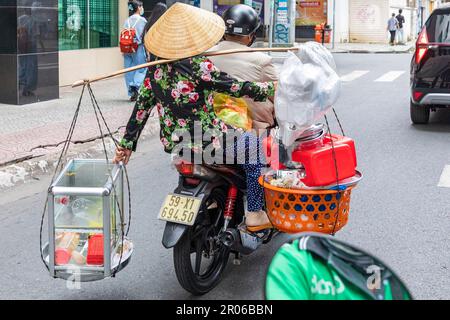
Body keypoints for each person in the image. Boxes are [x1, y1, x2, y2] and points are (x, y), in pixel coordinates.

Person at [113, 3, 275, 230]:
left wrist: (126, 145)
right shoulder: (198, 66)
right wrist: (267, 90)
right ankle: (256, 213)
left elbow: (140, 112)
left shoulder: (155, 70)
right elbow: (235, 87)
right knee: (255, 149)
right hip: (211, 142)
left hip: (177, 145)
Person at [209, 4, 278, 131]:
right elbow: (279, 96)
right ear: (249, 36)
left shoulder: (204, 56)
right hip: (253, 130)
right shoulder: (262, 60)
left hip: (214, 126)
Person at [123, 1, 147, 102]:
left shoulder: (127, 21)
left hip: (126, 47)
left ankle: (131, 92)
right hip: (138, 47)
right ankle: (135, 86)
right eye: (141, 6)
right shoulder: (142, 20)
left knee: (129, 69)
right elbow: (144, 36)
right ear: (138, 7)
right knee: (141, 68)